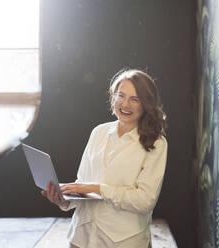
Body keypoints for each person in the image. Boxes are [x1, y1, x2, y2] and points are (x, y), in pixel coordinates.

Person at [41, 69, 168, 248]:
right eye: (121, 95)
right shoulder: (98, 132)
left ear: (146, 104)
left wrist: (98, 189)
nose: (125, 104)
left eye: (135, 99)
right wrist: (64, 199)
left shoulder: (157, 143)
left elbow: (145, 201)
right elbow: (83, 184)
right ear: (113, 97)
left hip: (124, 243)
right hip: (81, 239)